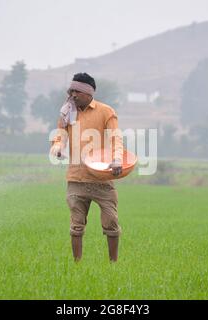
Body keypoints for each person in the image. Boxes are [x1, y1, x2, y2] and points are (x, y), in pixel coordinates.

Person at [50, 72, 123, 262]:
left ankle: (113, 265)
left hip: (102, 178)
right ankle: (77, 266)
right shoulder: (67, 112)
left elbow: (116, 138)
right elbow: (60, 135)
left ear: (88, 93)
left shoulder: (106, 111)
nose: (73, 95)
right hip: (76, 178)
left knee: (111, 222)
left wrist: (116, 159)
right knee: (76, 225)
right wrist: (57, 147)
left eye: (77, 91)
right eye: (71, 90)